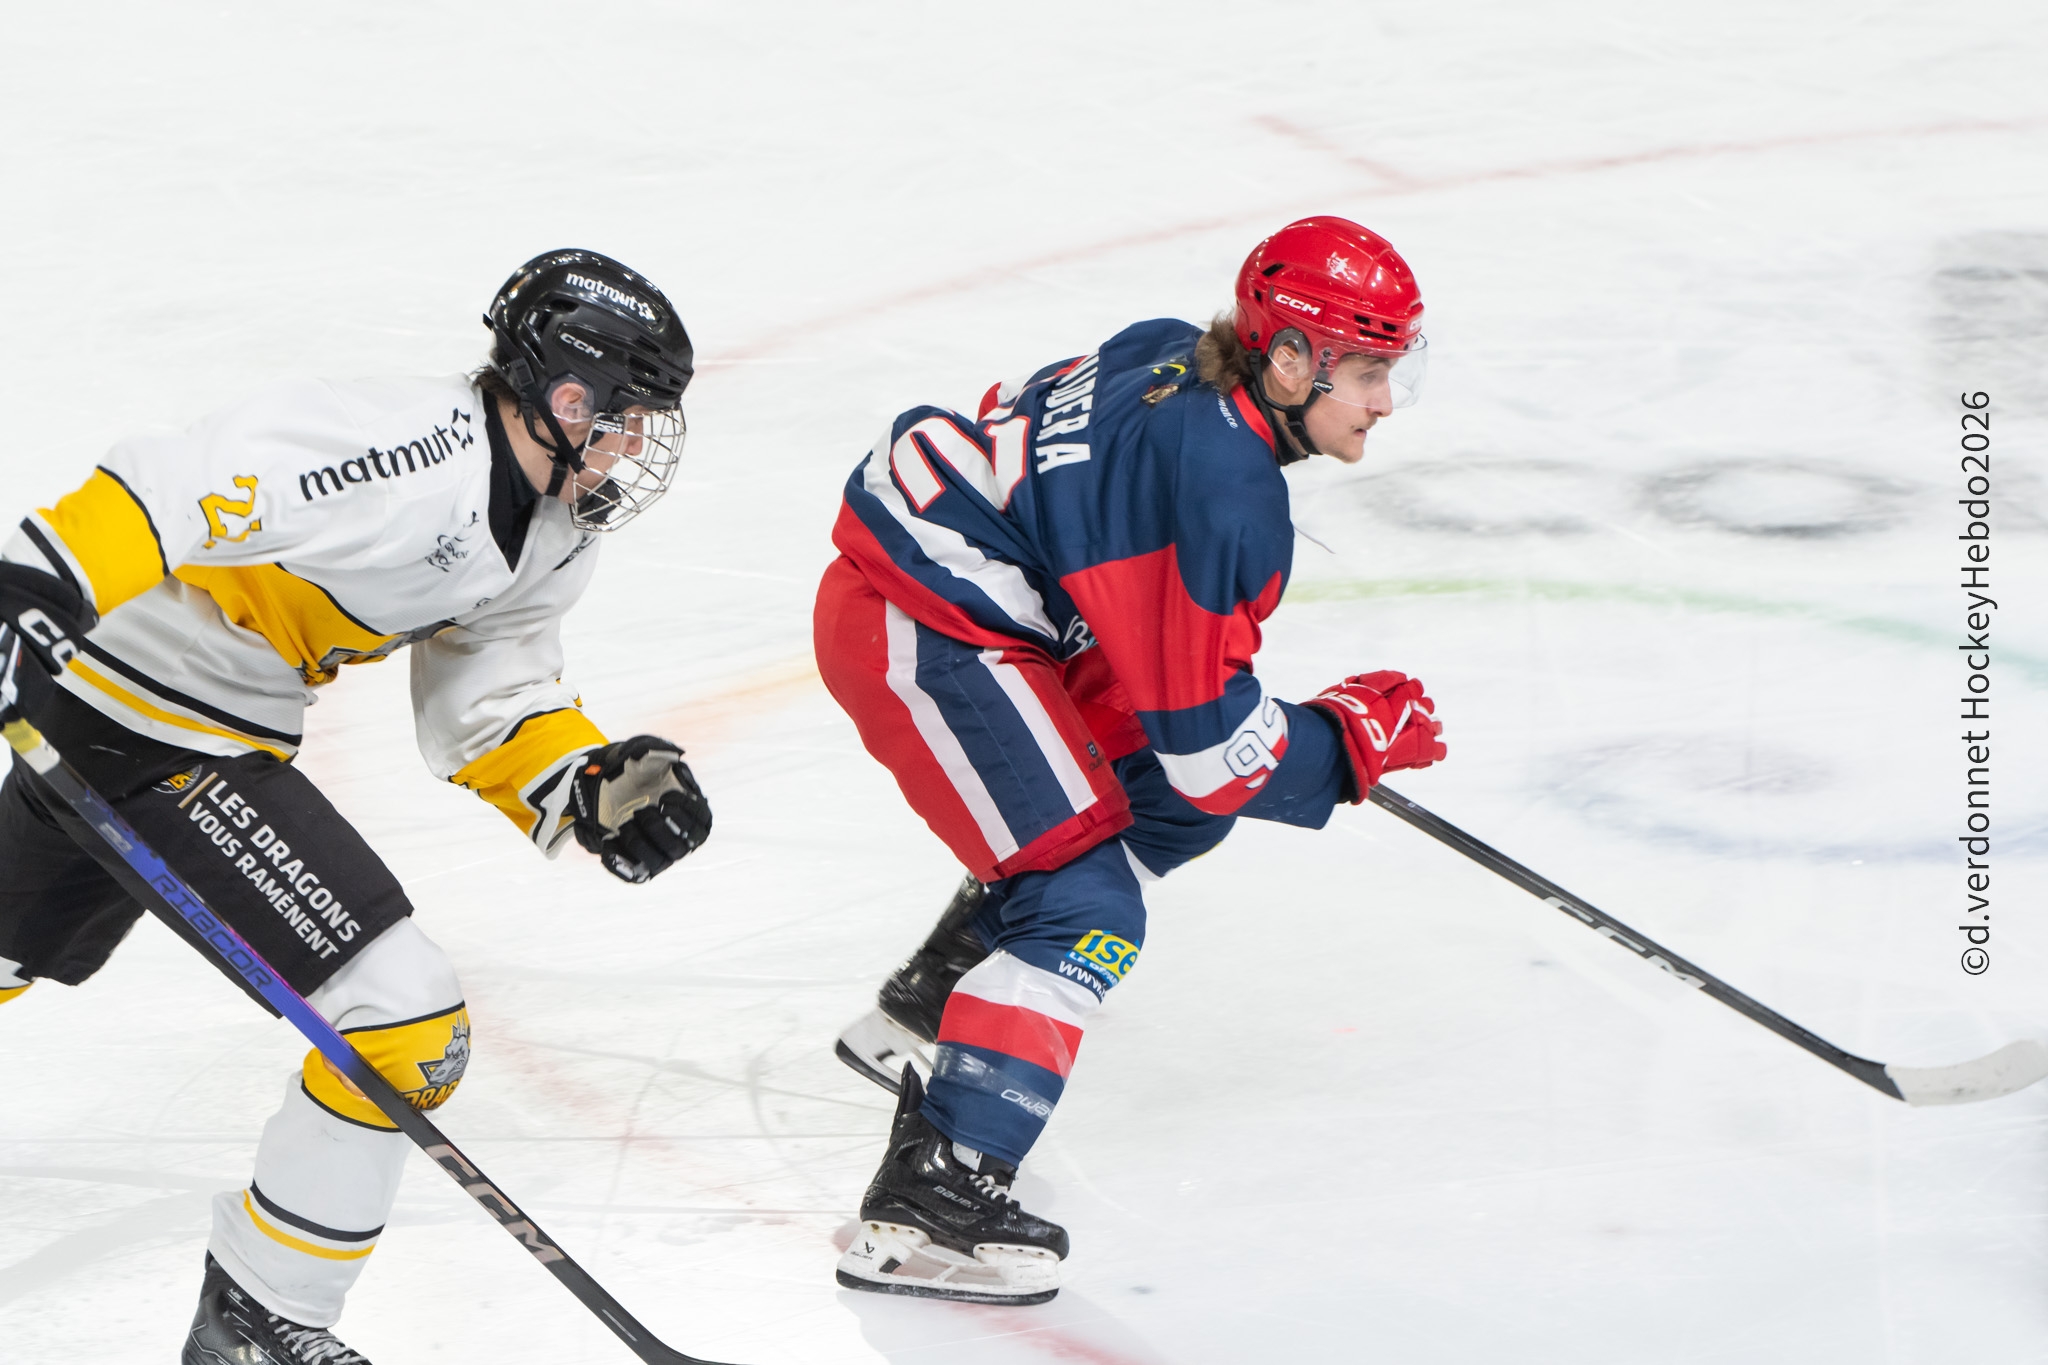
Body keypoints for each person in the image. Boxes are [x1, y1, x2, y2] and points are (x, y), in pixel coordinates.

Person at [0, 250, 714, 1363]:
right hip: (151, 730)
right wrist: (33, 585)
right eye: (625, 420)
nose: (630, 449)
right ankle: (260, 1317)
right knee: (404, 1016)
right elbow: (176, 481)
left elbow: (491, 694)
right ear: (568, 399)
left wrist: (586, 782)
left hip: (161, 726)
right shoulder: (401, 450)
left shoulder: (550, 529)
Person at [815, 217, 1446, 1303]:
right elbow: (1214, 753)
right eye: (1366, 371)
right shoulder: (1228, 493)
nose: (1384, 400)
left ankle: (935, 1005)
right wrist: (1346, 742)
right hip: (928, 625)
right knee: (1088, 910)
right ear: (1290, 360)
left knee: (1162, 803)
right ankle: (935, 1198)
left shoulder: (1167, 349)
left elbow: (1182, 753)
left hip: (976, 603)